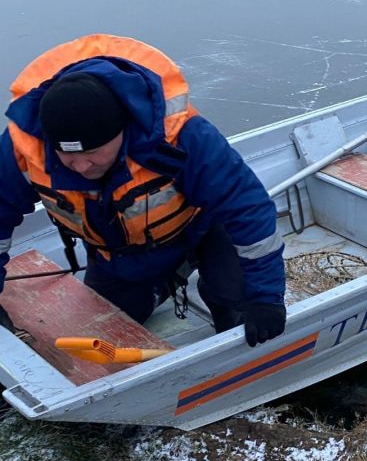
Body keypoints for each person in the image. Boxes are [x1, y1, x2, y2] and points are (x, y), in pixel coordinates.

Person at [0, 34, 286, 347]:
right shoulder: (21, 150)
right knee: (106, 331)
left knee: (240, 310)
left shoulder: (184, 136)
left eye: (93, 153)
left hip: (202, 229)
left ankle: (220, 290)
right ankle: (164, 280)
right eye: (67, 156)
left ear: (123, 131)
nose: (81, 166)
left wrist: (266, 297)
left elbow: (248, 208)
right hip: (121, 251)